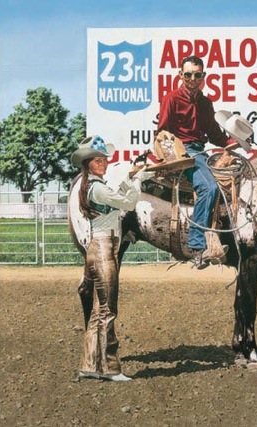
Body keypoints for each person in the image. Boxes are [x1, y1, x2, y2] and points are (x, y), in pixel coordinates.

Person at [71, 135, 154, 381]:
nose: (104, 162)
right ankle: (111, 368)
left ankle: (89, 365)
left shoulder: (95, 187)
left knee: (99, 311)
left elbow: (116, 209)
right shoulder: (97, 188)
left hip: (100, 246)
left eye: (104, 159)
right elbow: (129, 203)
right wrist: (136, 181)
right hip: (104, 250)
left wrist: (133, 179)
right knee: (108, 309)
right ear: (88, 164)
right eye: (98, 160)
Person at [157, 55, 249, 269]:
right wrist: (172, 156)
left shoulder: (206, 103)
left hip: (200, 151)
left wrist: (232, 142)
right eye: (188, 74)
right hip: (183, 153)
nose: (192, 78)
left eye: (197, 75)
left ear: (203, 77)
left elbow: (215, 134)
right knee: (208, 187)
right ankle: (198, 246)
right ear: (180, 75)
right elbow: (162, 131)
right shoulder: (171, 99)